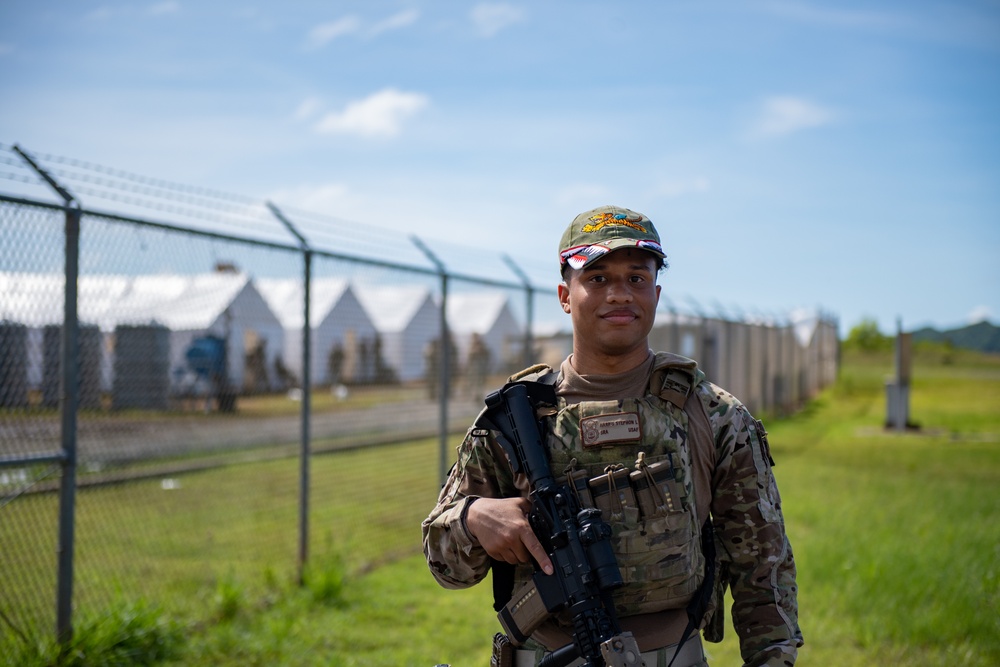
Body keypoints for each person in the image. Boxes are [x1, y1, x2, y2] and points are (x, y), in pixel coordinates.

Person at [422, 205, 802, 667]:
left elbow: (763, 565)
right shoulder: (514, 419)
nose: (619, 294)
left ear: (657, 294)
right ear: (565, 295)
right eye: (597, 278)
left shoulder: (714, 414)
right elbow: (447, 569)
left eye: (636, 278)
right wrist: (474, 516)